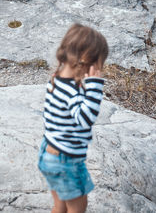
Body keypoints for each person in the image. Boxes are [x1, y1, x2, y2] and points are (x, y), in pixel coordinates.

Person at [38, 23, 109, 213]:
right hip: (66, 160)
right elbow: (85, 118)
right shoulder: (73, 92)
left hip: (48, 154)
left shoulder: (56, 78)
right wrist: (94, 85)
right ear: (86, 61)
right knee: (78, 207)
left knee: (60, 205)